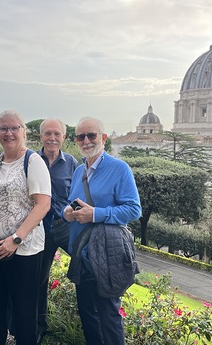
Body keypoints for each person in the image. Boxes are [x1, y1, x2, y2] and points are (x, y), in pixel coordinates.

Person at [62, 117, 141, 345]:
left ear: (103, 138)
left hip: (107, 254)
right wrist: (67, 212)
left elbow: (133, 209)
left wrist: (95, 214)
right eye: (80, 136)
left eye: (91, 135)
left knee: (108, 315)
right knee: (87, 313)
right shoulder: (79, 171)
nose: (86, 141)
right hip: (82, 253)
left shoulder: (119, 169)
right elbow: (72, 201)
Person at [0, 110, 51, 345]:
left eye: (14, 128)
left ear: (23, 131)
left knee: (23, 313)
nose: (8, 133)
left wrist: (15, 239)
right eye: (2, 128)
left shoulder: (33, 161)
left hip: (22, 250)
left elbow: (43, 204)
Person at [36, 118, 78, 344]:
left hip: (64, 226)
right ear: (40, 136)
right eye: (47, 133)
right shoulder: (31, 160)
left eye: (57, 134)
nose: (52, 138)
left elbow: (78, 195)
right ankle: (39, 327)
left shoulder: (72, 163)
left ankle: (87, 320)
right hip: (38, 228)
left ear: (64, 137)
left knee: (86, 262)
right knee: (39, 280)